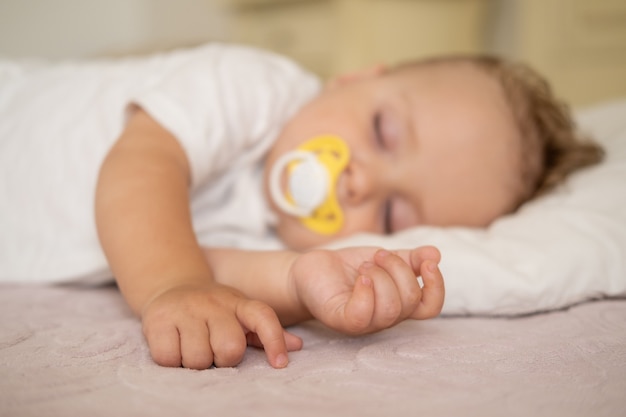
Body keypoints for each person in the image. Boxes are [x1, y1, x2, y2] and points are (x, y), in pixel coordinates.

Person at [0, 43, 602, 370]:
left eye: (393, 213)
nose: (359, 183)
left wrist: (299, 284)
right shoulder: (254, 88)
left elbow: (205, 264)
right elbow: (142, 167)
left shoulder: (291, 239)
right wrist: (172, 286)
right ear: (352, 79)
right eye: (384, 131)